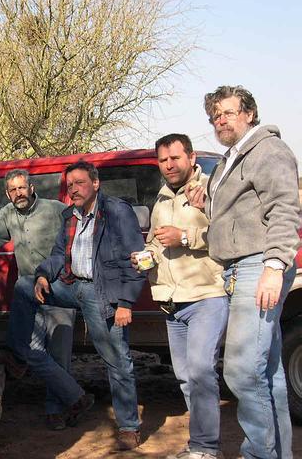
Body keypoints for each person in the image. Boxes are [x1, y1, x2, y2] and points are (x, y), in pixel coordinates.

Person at [188, 85, 300, 459]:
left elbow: (284, 208)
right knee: (268, 375)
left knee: (239, 371)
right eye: (215, 116)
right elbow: (239, 218)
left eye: (228, 113)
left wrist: (274, 266)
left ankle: (258, 454)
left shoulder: (267, 150)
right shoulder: (228, 161)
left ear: (249, 114)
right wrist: (207, 205)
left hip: (258, 265)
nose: (220, 120)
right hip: (238, 267)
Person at [11, 160, 145, 450]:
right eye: (70, 185)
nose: (74, 189)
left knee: (117, 359)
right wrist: (45, 275)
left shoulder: (116, 211)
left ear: (95, 183)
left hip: (103, 293)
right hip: (73, 286)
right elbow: (59, 253)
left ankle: (129, 426)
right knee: (24, 286)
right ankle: (19, 354)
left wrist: (125, 302)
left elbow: (136, 259)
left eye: (80, 183)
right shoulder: (69, 215)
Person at [132, 134, 228, 459]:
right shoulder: (160, 200)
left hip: (206, 295)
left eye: (175, 158)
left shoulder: (210, 189)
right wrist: (146, 256)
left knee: (201, 370)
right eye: (163, 160)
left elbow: (228, 236)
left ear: (190, 156)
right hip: (172, 304)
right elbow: (157, 244)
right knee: (186, 378)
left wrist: (184, 236)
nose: (169, 165)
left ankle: (205, 448)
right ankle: (200, 445)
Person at [0, 168, 89, 430]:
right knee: (32, 351)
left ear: (32, 187)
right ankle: (75, 398)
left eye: (22, 187)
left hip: (58, 290)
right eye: (13, 190)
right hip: (29, 297)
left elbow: (78, 234)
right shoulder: (8, 214)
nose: (19, 193)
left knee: (60, 356)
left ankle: (56, 411)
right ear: (8, 194)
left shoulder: (55, 209)